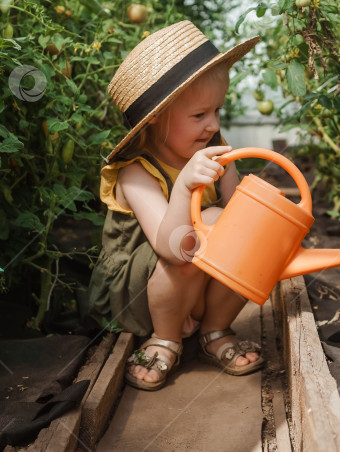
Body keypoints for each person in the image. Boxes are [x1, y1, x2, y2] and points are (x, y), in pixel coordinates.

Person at [88, 21, 265, 391]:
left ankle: (215, 328)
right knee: (198, 231)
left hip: (194, 284)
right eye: (199, 115)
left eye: (217, 110)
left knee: (242, 227)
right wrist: (184, 185)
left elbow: (240, 220)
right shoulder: (135, 173)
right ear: (156, 117)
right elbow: (171, 248)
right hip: (137, 296)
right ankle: (165, 338)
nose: (213, 124)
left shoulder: (215, 147)